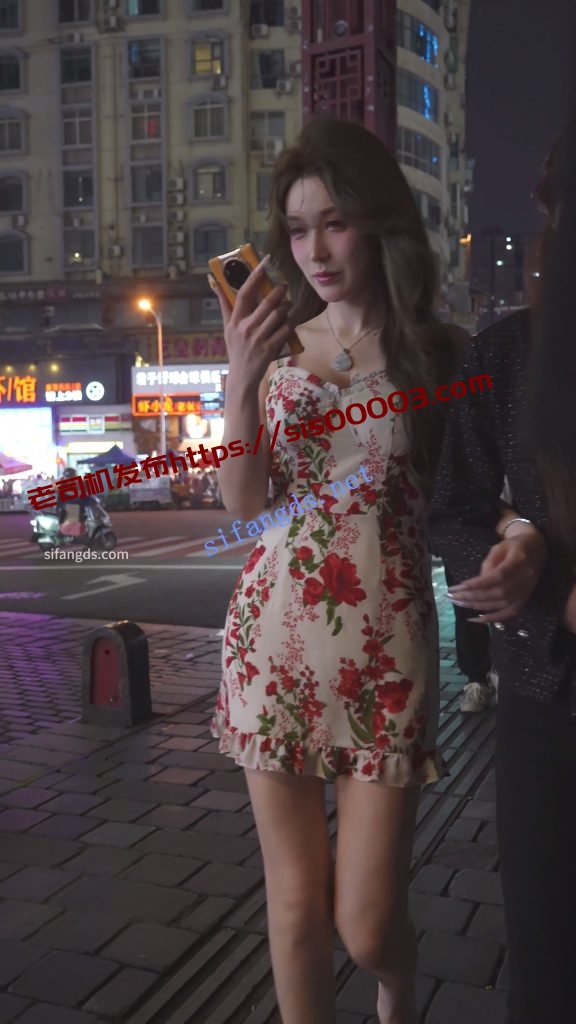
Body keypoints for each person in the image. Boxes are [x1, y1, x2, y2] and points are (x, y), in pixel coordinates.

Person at [208, 116, 459, 1024]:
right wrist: (240, 380)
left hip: (387, 656)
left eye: (335, 223)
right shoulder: (276, 353)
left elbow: (476, 495)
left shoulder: (439, 353)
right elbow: (244, 506)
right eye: (298, 228)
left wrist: (515, 531)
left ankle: (397, 981)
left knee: (367, 924)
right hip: (270, 646)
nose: (314, 250)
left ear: (378, 222)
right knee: (293, 907)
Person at [428, 146, 576, 1024]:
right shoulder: (505, 352)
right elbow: (452, 509)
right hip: (543, 698)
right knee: (546, 965)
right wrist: (520, 550)